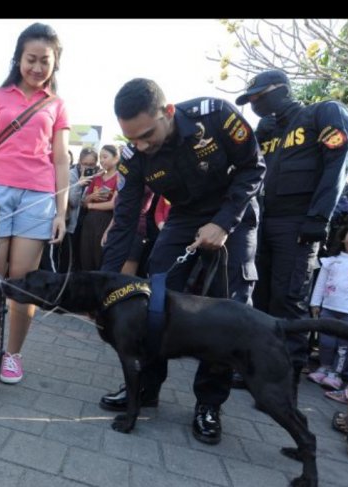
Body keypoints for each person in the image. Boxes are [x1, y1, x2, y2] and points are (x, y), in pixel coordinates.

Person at [99, 78, 265, 445]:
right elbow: (125, 221)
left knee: (231, 309)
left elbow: (254, 168)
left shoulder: (217, 115)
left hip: (233, 212)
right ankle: (144, 388)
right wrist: (105, 286)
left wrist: (223, 222)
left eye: (146, 135)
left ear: (168, 112)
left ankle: (209, 403)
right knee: (153, 300)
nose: (140, 145)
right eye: (132, 139)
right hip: (184, 217)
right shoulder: (133, 157)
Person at [236, 69, 348, 392]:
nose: (256, 104)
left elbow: (339, 162)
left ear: (280, 89)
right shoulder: (268, 129)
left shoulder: (323, 113)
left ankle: (283, 376)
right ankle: (255, 368)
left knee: (288, 299)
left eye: (259, 97)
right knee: (258, 297)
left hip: (298, 222)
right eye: (252, 101)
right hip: (263, 221)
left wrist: (318, 217)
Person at [0, 22, 70, 384]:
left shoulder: (57, 105)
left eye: (45, 61)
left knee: (23, 284)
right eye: (31, 59)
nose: (37, 68)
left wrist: (61, 211)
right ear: (18, 59)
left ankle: (13, 354)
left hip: (38, 198)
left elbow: (61, 160)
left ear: (56, 64)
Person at [307, 219, 348, 390]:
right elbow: (321, 283)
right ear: (344, 237)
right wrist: (315, 303)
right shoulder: (332, 261)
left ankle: (336, 374)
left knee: (345, 345)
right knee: (326, 342)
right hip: (329, 309)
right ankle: (324, 367)